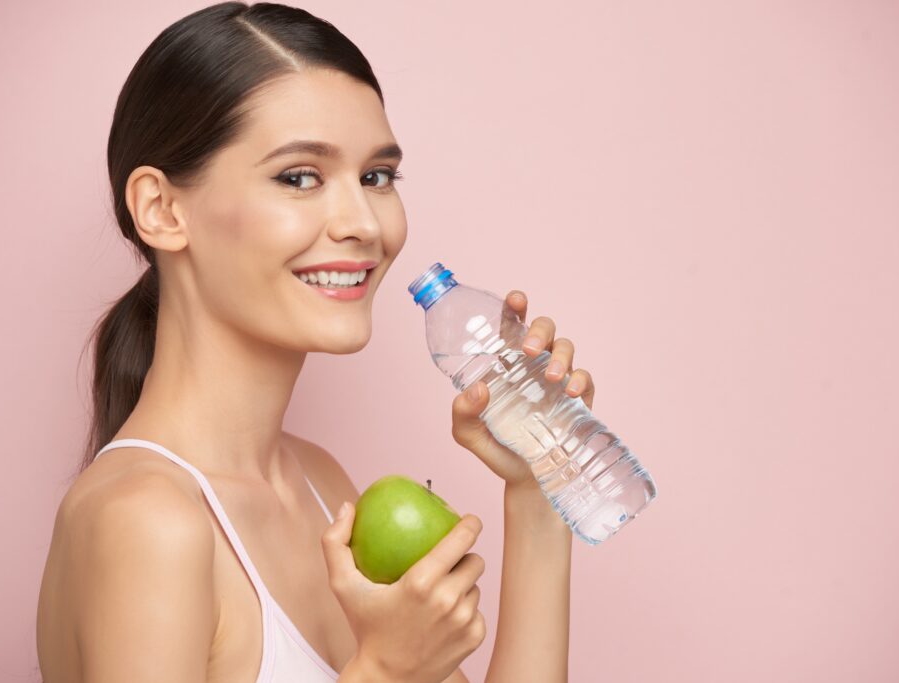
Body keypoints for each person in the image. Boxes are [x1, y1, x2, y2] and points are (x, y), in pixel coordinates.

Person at [36, 3, 593, 682]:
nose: (363, 222)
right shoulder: (147, 522)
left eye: (377, 177)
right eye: (300, 177)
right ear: (162, 209)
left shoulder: (321, 486)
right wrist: (384, 670)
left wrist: (539, 490)